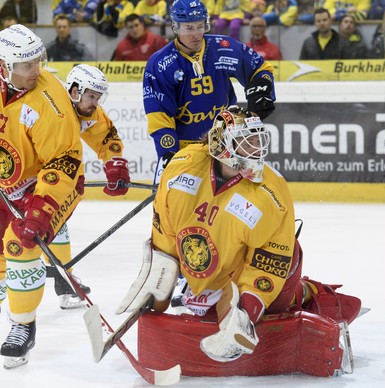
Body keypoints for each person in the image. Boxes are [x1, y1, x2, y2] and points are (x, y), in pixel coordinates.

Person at [116, 106, 362, 363]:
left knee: (264, 311)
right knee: (210, 321)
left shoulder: (270, 192)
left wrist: (249, 306)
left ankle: (306, 293)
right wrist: (159, 278)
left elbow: (271, 257)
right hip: (212, 276)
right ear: (222, 144)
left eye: (258, 139)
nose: (257, 148)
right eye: (247, 141)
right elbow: (164, 228)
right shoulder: (182, 167)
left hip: (270, 267)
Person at [0, 24, 85, 369]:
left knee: (21, 243)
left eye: (39, 61)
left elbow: (63, 163)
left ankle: (23, 325)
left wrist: (38, 211)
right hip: (8, 183)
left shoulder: (49, 101)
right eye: (27, 65)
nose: (36, 70)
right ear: (4, 66)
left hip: (48, 185)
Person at [143, 0, 276, 183]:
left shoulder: (223, 47)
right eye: (189, 28)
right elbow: (159, 115)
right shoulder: (160, 63)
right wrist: (168, 154)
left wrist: (261, 90)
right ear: (175, 27)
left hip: (225, 145)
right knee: (177, 208)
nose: (196, 34)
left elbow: (260, 69)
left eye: (200, 26)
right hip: (185, 150)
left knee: (228, 203)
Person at [45, 64, 131, 310]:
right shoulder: (50, 105)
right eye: (91, 95)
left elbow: (106, 137)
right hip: (24, 174)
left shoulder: (87, 112)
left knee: (56, 224)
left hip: (54, 178)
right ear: (74, 90)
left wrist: (115, 163)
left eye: (98, 96)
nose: (95, 102)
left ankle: (63, 277)